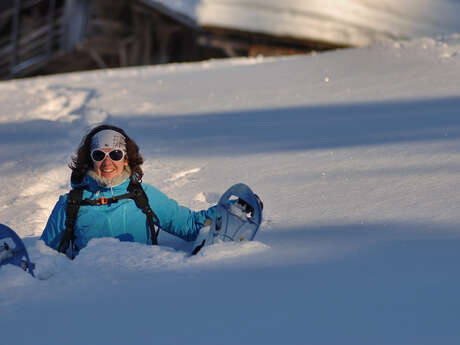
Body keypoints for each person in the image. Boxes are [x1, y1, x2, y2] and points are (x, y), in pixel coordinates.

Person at [40, 124, 216, 258]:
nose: (107, 163)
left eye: (115, 154)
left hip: (141, 288)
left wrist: (233, 208)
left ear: (125, 159)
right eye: (99, 155)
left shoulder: (143, 195)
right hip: (90, 294)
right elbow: (45, 257)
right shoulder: (71, 203)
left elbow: (191, 225)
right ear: (90, 160)